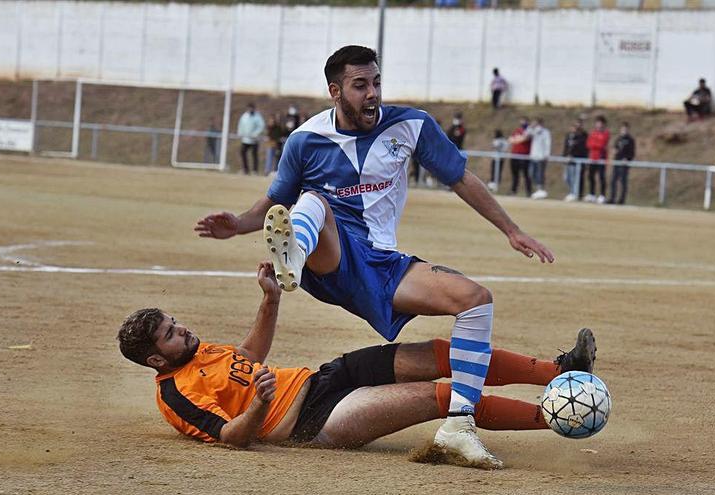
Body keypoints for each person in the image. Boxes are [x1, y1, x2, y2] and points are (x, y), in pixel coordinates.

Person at [194, 45, 554, 469]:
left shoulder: (411, 126)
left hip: (384, 264)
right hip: (332, 259)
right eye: (360, 85)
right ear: (335, 91)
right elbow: (273, 203)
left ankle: (459, 427)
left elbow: (460, 178)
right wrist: (237, 224)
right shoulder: (306, 140)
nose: (372, 93)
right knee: (312, 202)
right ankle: (293, 255)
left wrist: (511, 230)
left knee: (475, 300)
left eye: (376, 82)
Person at [116, 262, 597, 469]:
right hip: (312, 421)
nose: (183, 330)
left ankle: (560, 372)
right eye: (171, 333)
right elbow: (231, 438)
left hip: (324, 377)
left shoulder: (201, 351)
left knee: (441, 353)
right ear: (157, 358)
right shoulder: (174, 396)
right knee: (446, 397)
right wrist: (261, 404)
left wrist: (270, 301)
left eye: (175, 322)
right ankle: (560, 416)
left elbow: (249, 358)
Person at [608, 122, 634, 205]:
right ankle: (612, 198)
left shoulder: (630, 140)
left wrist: (627, 159)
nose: (624, 131)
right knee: (613, 181)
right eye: (623, 129)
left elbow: (631, 152)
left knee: (623, 181)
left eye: (625, 129)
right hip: (617, 162)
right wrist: (614, 153)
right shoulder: (618, 139)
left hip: (624, 164)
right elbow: (615, 148)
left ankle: (621, 199)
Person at [585, 116, 609, 204]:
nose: (599, 125)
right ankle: (592, 194)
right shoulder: (593, 133)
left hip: (601, 158)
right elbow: (588, 144)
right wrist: (595, 145)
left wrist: (595, 145)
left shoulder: (605, 133)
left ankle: (602, 195)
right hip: (592, 158)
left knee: (601, 177)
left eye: (600, 123)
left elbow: (602, 145)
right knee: (591, 176)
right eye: (597, 123)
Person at [562, 120, 588, 202]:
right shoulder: (569, 136)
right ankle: (572, 192)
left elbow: (581, 148)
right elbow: (566, 147)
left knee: (575, 178)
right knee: (567, 177)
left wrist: (573, 155)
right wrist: (565, 156)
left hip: (577, 160)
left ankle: (575, 193)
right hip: (568, 160)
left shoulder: (582, 136)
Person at [527, 117, 552, 200]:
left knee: (540, 174)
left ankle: (540, 189)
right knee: (531, 173)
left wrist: (546, 155)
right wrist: (530, 127)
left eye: (535, 122)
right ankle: (538, 189)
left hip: (541, 156)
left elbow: (548, 143)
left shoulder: (545, 132)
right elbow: (526, 134)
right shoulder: (532, 131)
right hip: (533, 155)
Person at [237, 103, 266, 175]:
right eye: (249, 108)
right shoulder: (244, 116)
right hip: (245, 139)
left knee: (254, 155)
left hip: (254, 140)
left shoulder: (257, 116)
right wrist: (240, 133)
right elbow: (240, 125)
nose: (250, 110)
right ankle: (245, 169)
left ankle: (255, 170)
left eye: (251, 108)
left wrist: (255, 134)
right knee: (242, 152)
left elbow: (261, 126)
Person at [508, 116, 533, 196]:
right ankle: (513, 191)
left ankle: (529, 192)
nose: (522, 123)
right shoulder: (517, 130)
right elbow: (510, 140)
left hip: (524, 156)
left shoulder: (529, 131)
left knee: (526, 175)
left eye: (524, 121)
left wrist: (518, 139)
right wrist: (518, 139)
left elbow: (524, 139)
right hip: (515, 155)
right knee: (515, 175)